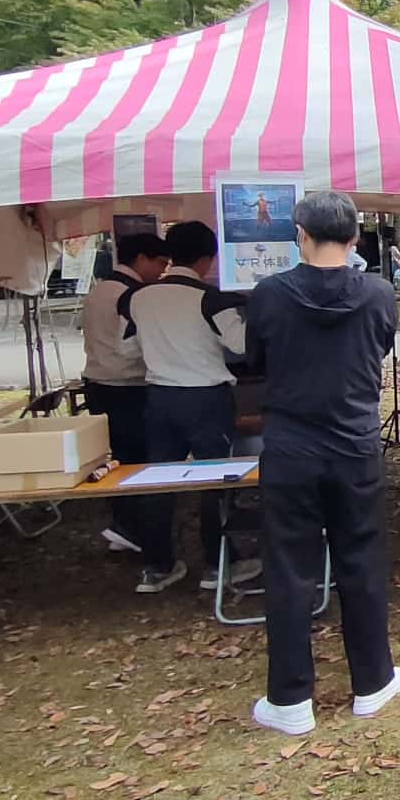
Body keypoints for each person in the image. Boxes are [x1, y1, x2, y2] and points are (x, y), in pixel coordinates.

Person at [242, 190, 400, 734]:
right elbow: (380, 348)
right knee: (363, 562)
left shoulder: (268, 294)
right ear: (355, 237)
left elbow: (255, 359)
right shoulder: (379, 294)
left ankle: (290, 700)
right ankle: (373, 681)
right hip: (355, 445)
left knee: (290, 570)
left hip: (290, 450)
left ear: (300, 235)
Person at [122, 221, 249, 593]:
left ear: (170, 255)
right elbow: (241, 345)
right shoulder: (210, 298)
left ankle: (158, 565)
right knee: (216, 479)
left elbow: (126, 348)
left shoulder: (139, 297)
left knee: (160, 480)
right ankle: (217, 563)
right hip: (205, 399)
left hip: (160, 398)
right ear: (208, 259)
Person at [81, 230, 168, 555]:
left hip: (98, 385)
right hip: (127, 387)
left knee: (117, 459)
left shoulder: (99, 289)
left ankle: (124, 524)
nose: (162, 270)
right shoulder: (131, 295)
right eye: (160, 263)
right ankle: (133, 528)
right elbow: (134, 346)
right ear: (141, 258)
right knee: (136, 461)